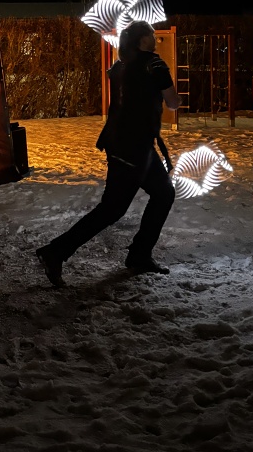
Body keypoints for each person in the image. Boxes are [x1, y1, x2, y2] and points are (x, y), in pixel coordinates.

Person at [36, 20, 181, 287]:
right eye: (151, 34)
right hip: (133, 148)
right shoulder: (154, 65)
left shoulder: (120, 66)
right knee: (113, 209)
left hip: (125, 143)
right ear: (143, 40)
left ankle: (139, 255)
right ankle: (55, 252)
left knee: (163, 194)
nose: (155, 38)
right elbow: (173, 102)